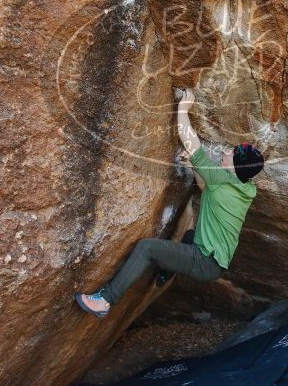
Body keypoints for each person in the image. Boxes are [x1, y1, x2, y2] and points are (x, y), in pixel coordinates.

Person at [74, 88, 264, 318]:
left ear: (236, 167)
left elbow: (191, 142)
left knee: (147, 248)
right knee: (189, 236)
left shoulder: (221, 179)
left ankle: (105, 301)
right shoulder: (245, 188)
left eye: (231, 153)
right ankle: (165, 272)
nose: (225, 151)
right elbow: (207, 189)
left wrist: (183, 109)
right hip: (213, 261)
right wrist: (195, 167)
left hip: (204, 261)